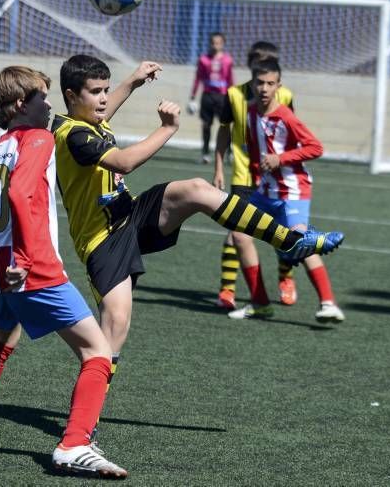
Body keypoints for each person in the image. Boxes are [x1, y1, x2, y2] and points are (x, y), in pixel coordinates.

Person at [51, 54, 344, 446]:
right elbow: (123, 160)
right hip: (102, 243)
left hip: (130, 216)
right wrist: (168, 129)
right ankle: (84, 424)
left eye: (106, 90)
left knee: (196, 189)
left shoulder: (88, 118)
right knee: (112, 335)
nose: (104, 99)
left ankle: (290, 241)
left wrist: (134, 81)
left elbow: (107, 108)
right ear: (71, 96)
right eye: (95, 92)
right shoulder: (71, 133)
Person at [0, 66, 127, 478]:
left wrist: (4, 250)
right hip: (29, 269)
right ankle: (75, 444)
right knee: (96, 351)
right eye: (44, 96)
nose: (49, 104)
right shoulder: (40, 138)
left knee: (2, 336)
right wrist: (24, 259)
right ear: (23, 103)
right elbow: (20, 192)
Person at [230, 57, 344, 323]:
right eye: (260, 83)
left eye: (271, 83)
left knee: (299, 242)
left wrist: (281, 159)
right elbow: (258, 152)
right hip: (265, 192)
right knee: (238, 233)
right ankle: (260, 303)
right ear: (252, 84)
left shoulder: (286, 117)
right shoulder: (250, 112)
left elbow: (315, 147)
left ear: (279, 85)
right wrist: (260, 172)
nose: (265, 89)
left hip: (293, 192)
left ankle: (328, 304)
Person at [213, 41, 298, 314]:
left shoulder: (285, 95)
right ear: (250, 65)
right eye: (258, 64)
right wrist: (217, 166)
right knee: (236, 232)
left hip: (276, 178)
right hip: (243, 176)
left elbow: (291, 133)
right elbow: (224, 131)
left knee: (282, 233)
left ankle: (286, 278)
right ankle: (228, 289)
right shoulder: (234, 95)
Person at [187, 32, 234, 163]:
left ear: (222, 44)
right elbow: (198, 78)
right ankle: (205, 153)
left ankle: (229, 153)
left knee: (225, 125)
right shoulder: (203, 59)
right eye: (213, 42)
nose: (215, 45)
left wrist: (233, 96)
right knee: (206, 125)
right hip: (207, 96)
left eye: (218, 43)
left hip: (222, 96)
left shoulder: (227, 60)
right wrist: (193, 95)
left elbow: (230, 79)